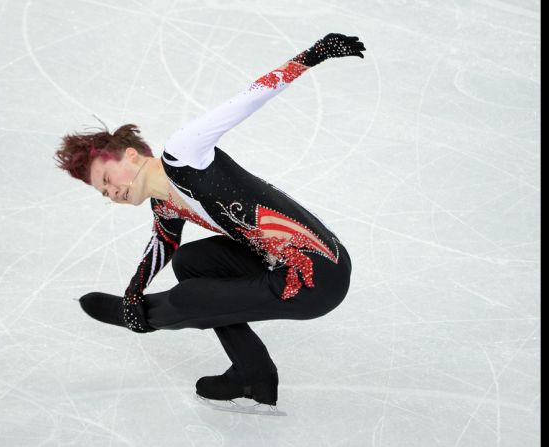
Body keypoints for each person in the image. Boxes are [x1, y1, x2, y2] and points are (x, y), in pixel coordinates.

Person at [54, 33, 364, 415]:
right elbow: (163, 245)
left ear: (129, 155)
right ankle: (254, 373)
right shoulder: (165, 203)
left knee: (190, 298)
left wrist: (313, 55)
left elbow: (251, 97)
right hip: (281, 265)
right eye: (102, 193)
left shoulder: (184, 153)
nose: (110, 193)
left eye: (106, 180)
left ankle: (148, 318)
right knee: (192, 263)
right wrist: (134, 288)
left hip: (315, 275)